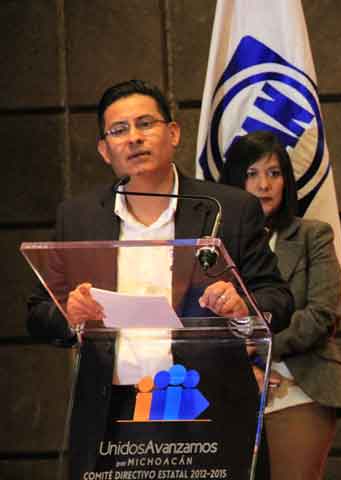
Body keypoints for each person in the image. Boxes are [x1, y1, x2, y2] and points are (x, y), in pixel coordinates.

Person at [26, 80, 291, 479]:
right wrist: (68, 313)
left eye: (145, 124)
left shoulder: (229, 209)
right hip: (113, 416)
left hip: (206, 412)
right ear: (104, 150)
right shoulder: (78, 217)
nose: (134, 137)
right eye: (119, 130)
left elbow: (277, 297)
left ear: (174, 133)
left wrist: (242, 305)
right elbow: (38, 313)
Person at [221, 131, 341, 480]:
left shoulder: (313, 235)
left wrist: (262, 348)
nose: (264, 185)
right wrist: (239, 360)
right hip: (227, 388)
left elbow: (322, 315)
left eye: (274, 173)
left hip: (298, 384)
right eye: (252, 173)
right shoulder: (212, 244)